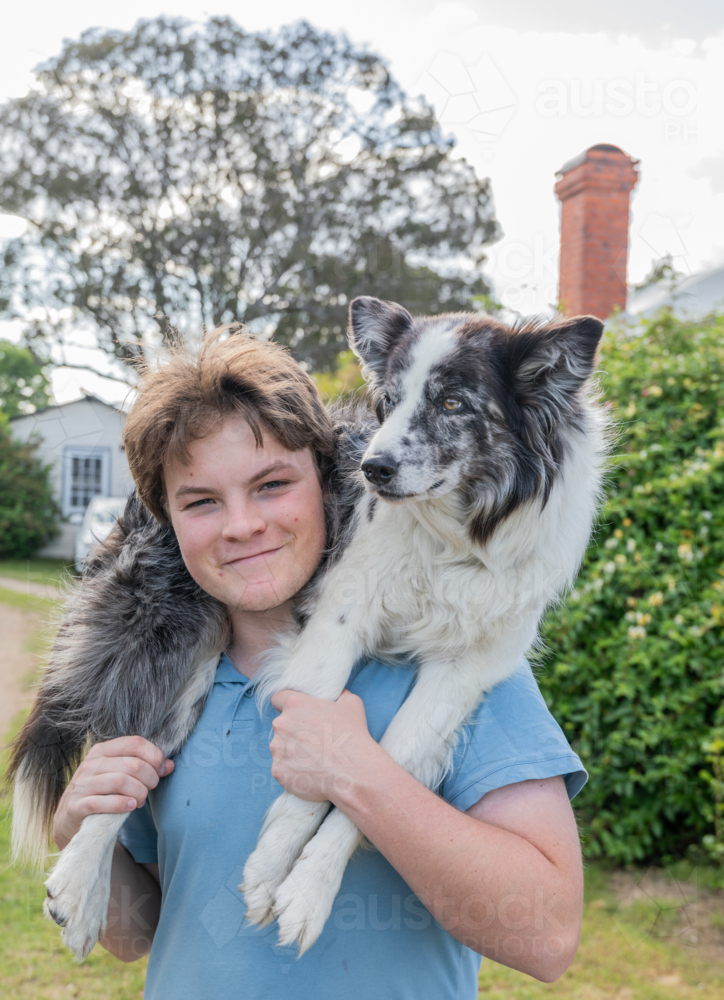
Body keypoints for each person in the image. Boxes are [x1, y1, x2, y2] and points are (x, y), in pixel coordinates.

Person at [51, 330, 587, 1000]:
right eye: (201, 501)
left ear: (329, 475)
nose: (241, 525)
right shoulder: (165, 682)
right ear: (168, 519)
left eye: (272, 485)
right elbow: (145, 933)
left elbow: (546, 935)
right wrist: (81, 826)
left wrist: (362, 777)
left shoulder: (459, 653)